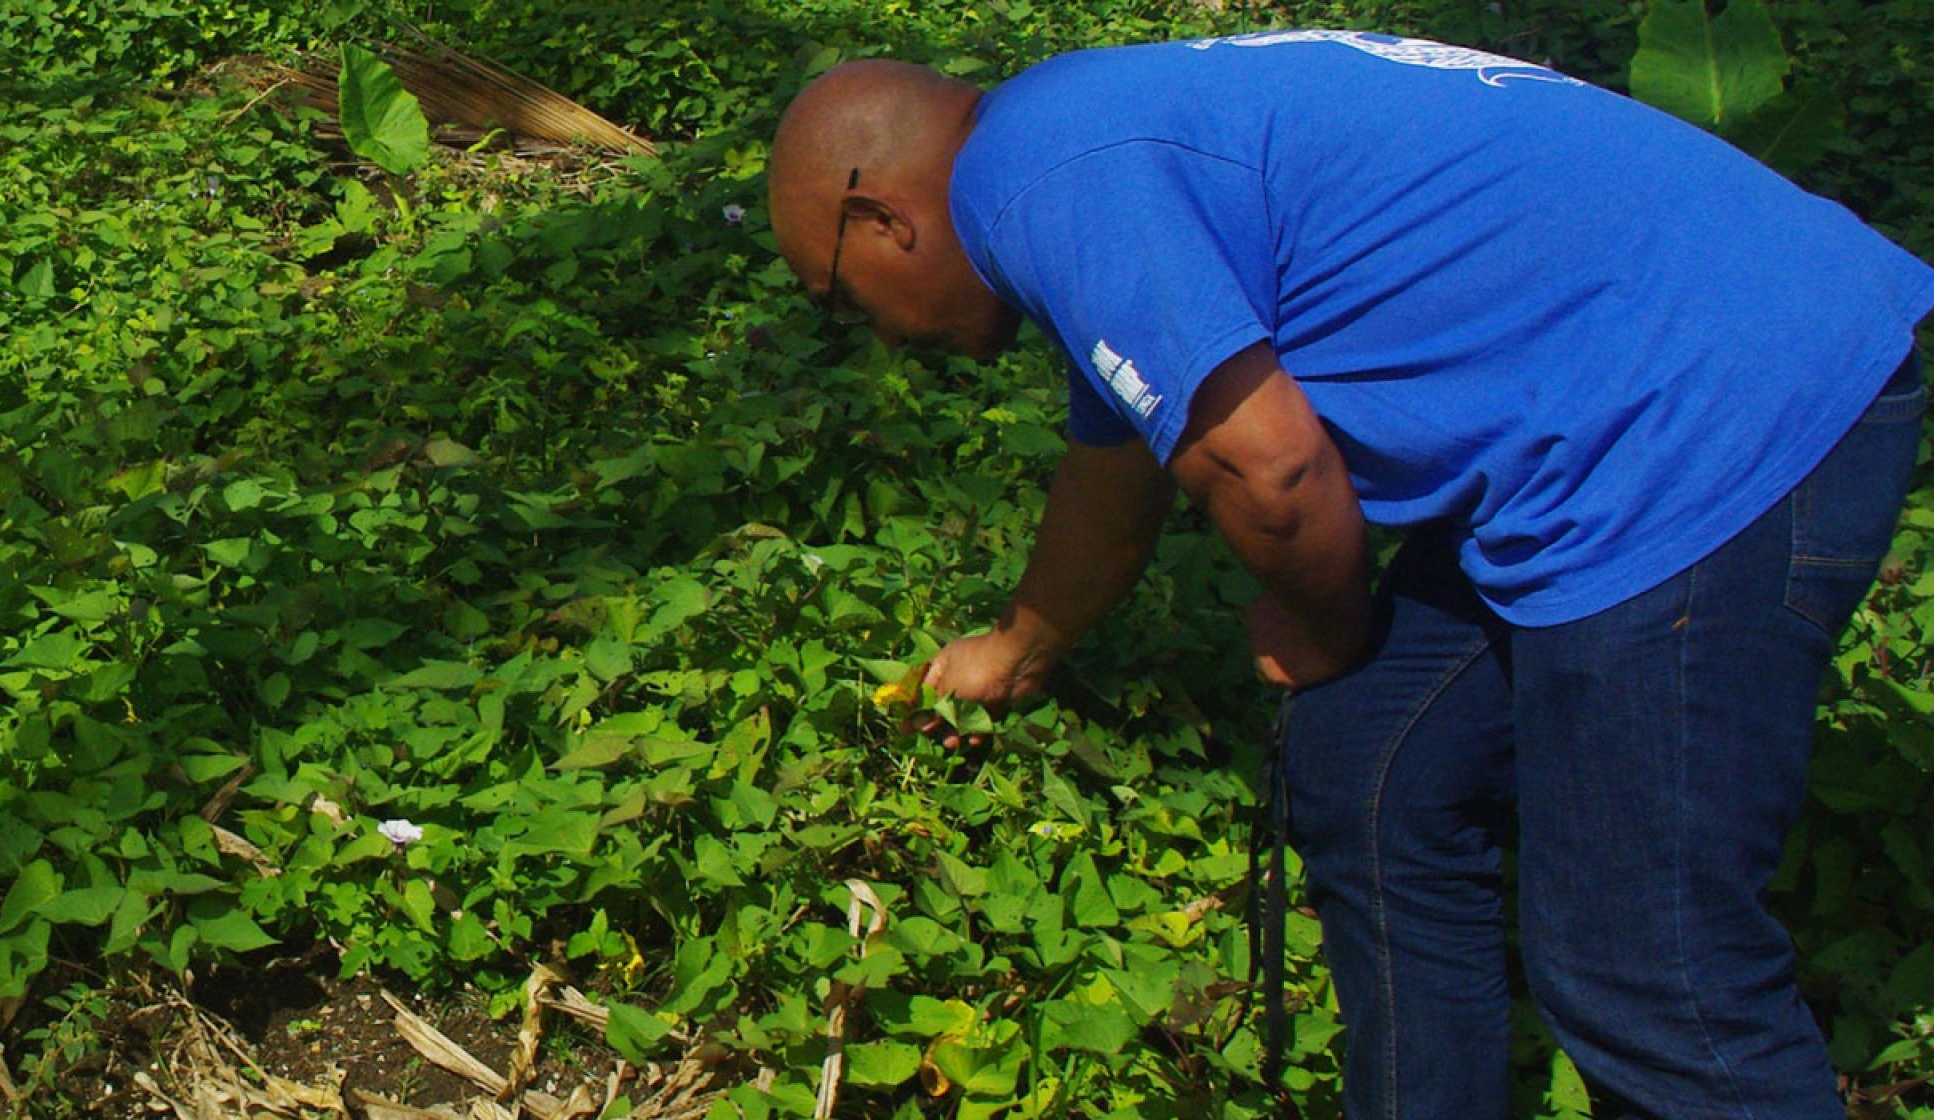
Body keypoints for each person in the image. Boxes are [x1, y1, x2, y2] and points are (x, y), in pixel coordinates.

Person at [766, 31, 1932, 1120]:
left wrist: (1318, 620)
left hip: (1703, 417)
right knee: (1376, 763)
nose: (875, 332)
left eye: (840, 297)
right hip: (1641, 381)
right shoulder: (1064, 140)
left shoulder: (1038, 187)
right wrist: (1017, 647)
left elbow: (1273, 476)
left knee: (1644, 969)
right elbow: (1115, 476)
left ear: (878, 217)